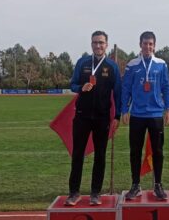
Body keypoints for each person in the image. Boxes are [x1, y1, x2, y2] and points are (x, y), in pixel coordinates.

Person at [65, 30, 122, 206]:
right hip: (82, 116)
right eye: (95, 42)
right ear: (91, 44)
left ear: (106, 45)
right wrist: (81, 87)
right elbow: (72, 85)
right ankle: (74, 192)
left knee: (100, 156)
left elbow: (118, 93)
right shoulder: (82, 63)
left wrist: (117, 116)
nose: (98, 45)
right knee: (77, 155)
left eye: (101, 42)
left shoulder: (112, 67)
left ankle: (95, 193)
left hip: (102, 118)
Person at [121, 31, 169, 201]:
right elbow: (126, 88)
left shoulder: (161, 64)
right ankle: (136, 185)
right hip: (137, 114)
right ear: (140, 44)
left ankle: (158, 185)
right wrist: (124, 110)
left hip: (156, 114)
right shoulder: (132, 64)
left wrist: (168, 108)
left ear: (154, 45)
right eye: (145, 43)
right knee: (135, 151)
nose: (147, 47)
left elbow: (166, 87)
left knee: (158, 151)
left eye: (150, 44)